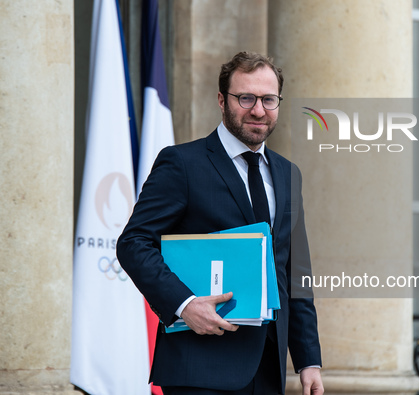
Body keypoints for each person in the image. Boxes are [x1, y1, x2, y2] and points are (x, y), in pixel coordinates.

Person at [117, 51, 323, 395]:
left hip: (267, 370)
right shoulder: (181, 163)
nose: (258, 110)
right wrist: (184, 305)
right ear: (221, 100)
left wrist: (308, 360)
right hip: (199, 368)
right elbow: (134, 242)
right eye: (246, 98)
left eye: (268, 99)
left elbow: (294, 273)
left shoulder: (289, 174)